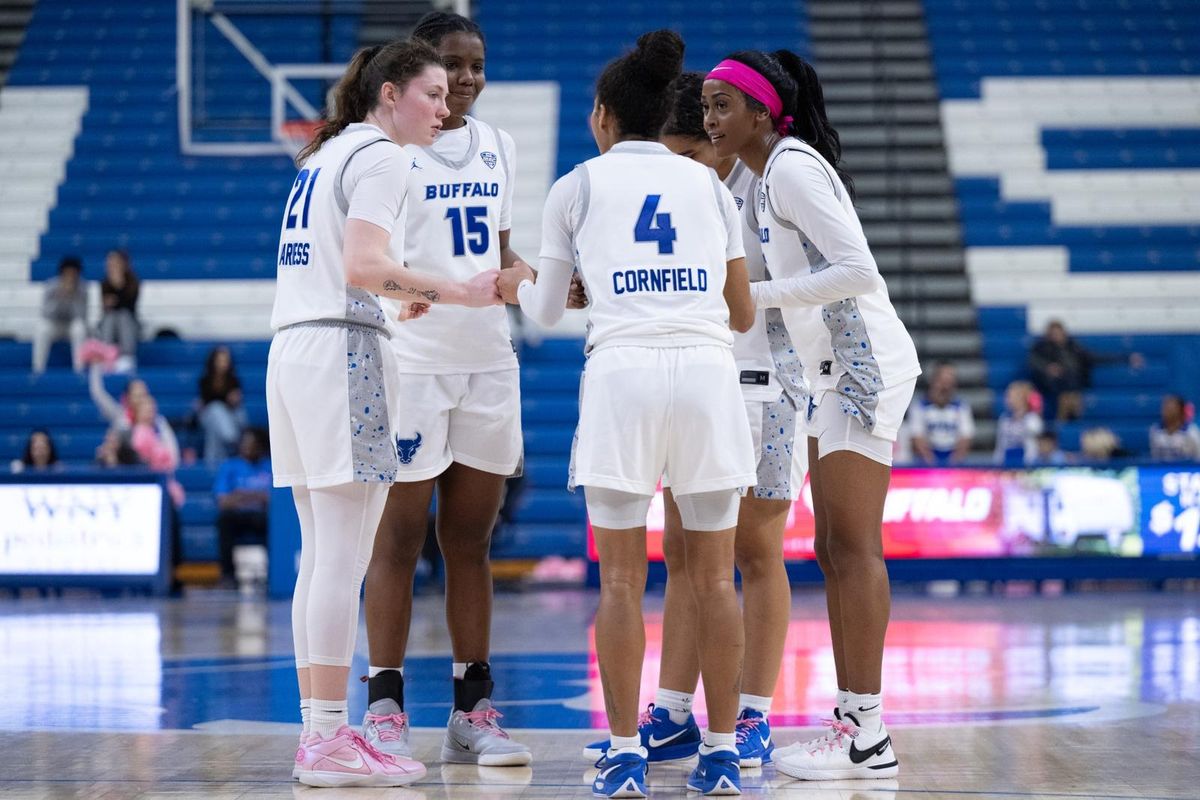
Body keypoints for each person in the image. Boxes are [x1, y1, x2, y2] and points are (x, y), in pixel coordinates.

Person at [500, 30, 757, 798]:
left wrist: (518, 282)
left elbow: (547, 310)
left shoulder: (575, 186)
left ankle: (623, 756)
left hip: (624, 377)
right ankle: (721, 755)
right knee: (714, 581)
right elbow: (741, 313)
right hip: (707, 374)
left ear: (604, 117)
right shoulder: (711, 186)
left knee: (619, 581)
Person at [266, 38, 501, 788]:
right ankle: (329, 739)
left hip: (294, 349)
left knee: (319, 554)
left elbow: (353, 271)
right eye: (431, 94)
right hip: (342, 355)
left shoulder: (324, 154)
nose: (444, 109)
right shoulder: (383, 158)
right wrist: (457, 290)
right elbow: (364, 265)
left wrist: (401, 294)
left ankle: (319, 733)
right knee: (342, 556)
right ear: (390, 94)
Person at [580, 70, 810, 771]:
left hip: (764, 383)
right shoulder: (683, 191)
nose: (676, 166)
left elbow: (813, 281)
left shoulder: (766, 188)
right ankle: (676, 711)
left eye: (687, 153)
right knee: (685, 556)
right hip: (699, 384)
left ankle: (754, 715)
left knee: (754, 555)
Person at [703, 49, 921, 780]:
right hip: (831, 371)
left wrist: (754, 298)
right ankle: (855, 724)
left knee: (853, 548)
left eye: (723, 106)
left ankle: (868, 735)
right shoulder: (764, 178)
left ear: (762, 112)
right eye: (705, 107)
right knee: (833, 549)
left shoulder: (793, 167)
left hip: (862, 366)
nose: (711, 119)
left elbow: (859, 269)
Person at [361, 12, 533, 768]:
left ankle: (472, 709)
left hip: (488, 359)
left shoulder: (499, 145)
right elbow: (370, 260)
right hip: (413, 362)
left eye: (476, 65)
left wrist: (535, 278)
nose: (466, 78)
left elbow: (499, 251)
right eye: (452, 66)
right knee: (397, 540)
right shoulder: (390, 154)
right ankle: (384, 707)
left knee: (470, 541)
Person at [1028, 319, 1142, 421]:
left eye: (1058, 333)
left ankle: (1070, 420)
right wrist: (1048, 368)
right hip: (1054, 387)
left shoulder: (1074, 348)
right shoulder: (1042, 349)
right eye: (1053, 334)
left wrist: (1125, 358)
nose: (1056, 336)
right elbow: (1033, 361)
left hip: (1075, 385)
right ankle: (1063, 422)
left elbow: (1096, 357)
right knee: (1066, 395)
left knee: (1072, 393)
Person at [214, 428, 273, 587]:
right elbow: (223, 501)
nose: (249, 447)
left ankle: (274, 574)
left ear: (260, 446)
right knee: (224, 519)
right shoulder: (230, 466)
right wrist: (256, 496)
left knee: (275, 522)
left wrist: (242, 495)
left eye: (253, 444)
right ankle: (228, 576)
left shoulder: (269, 466)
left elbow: (274, 499)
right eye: (246, 443)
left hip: (261, 515)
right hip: (237, 516)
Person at [906, 362, 974, 465]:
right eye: (942, 382)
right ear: (933, 381)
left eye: (949, 383)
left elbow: (966, 438)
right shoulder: (919, 407)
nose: (945, 387)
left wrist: (952, 463)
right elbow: (916, 437)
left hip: (953, 462)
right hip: (925, 463)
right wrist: (931, 462)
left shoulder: (961, 407)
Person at [32, 256, 88, 374]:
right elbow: (46, 313)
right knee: (42, 328)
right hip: (54, 324)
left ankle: (79, 370)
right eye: (68, 273)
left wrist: (72, 297)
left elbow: (81, 315)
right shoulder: (51, 286)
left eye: (73, 273)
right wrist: (60, 296)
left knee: (79, 328)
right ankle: (38, 370)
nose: (70, 276)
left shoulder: (83, 288)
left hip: (71, 326)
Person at [197, 346, 249, 467]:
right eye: (220, 360)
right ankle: (232, 437)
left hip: (229, 415)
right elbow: (206, 402)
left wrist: (234, 400)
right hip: (211, 414)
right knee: (216, 410)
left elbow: (236, 401)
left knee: (216, 430)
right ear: (214, 361)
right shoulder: (205, 380)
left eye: (225, 360)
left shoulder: (234, 380)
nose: (223, 364)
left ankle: (212, 463)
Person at [97, 249, 140, 372]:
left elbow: (129, 305)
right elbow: (106, 306)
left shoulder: (133, 282)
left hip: (129, 320)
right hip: (110, 319)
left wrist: (119, 286)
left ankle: (127, 356)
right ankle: (106, 353)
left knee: (123, 316)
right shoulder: (105, 283)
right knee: (110, 317)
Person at [994, 380, 1042, 466]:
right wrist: (997, 463)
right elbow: (1000, 444)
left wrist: (1022, 417)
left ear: (1022, 398)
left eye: (1011, 396)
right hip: (1006, 463)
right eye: (1007, 396)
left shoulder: (1032, 419)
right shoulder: (1004, 419)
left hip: (1028, 464)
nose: (1007, 400)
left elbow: (1036, 436)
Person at [1150, 394, 1200, 462]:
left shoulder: (1191, 431)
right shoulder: (1155, 430)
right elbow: (1155, 458)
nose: (1165, 411)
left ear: (1180, 410)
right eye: (1164, 408)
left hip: (1187, 467)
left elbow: (1198, 457)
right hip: (1162, 467)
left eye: (1170, 408)